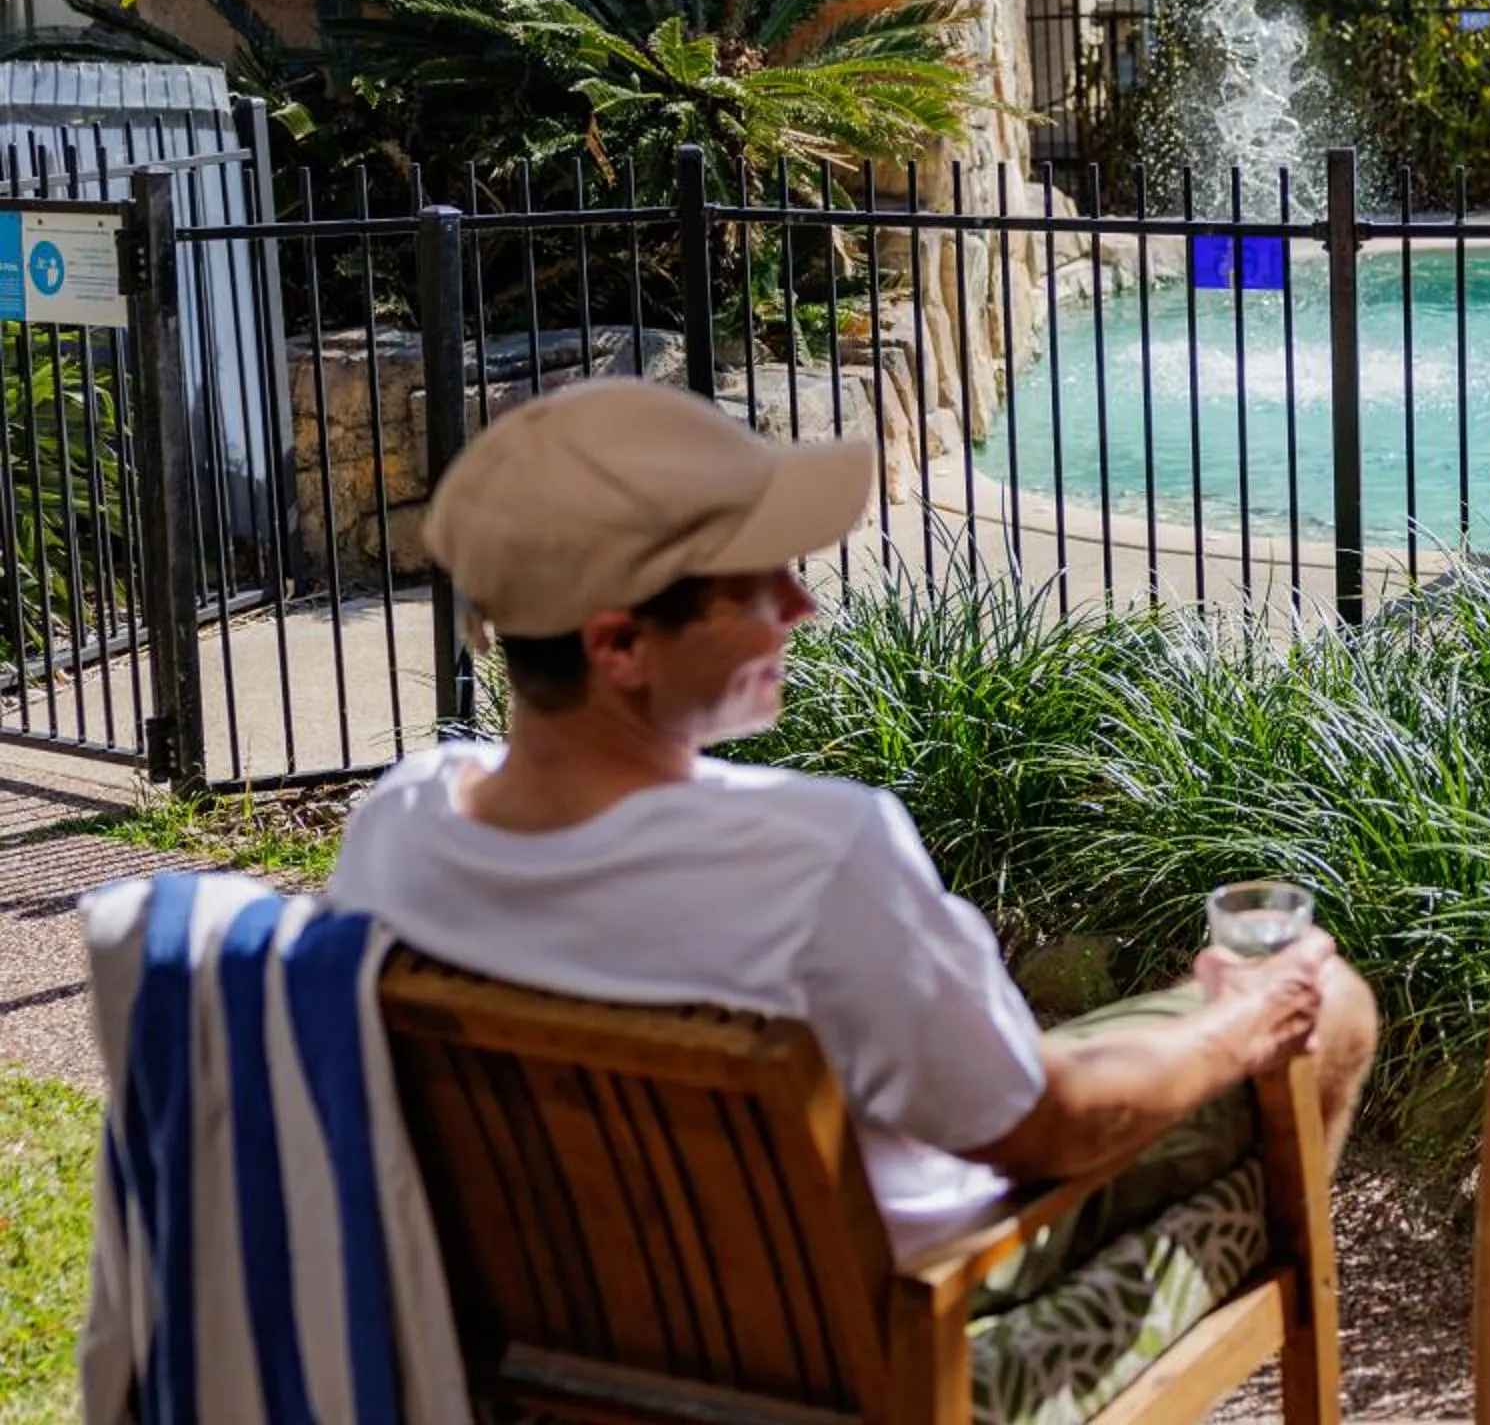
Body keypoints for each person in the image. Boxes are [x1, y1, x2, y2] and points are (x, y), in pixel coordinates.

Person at [327, 378, 1379, 1300]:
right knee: (1324, 1002)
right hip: (914, 1313)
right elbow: (1048, 1130)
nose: (805, 603)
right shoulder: (814, 854)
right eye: (758, 582)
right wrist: (1244, 1023)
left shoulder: (400, 830)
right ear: (620, 642)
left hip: (583, 1318)